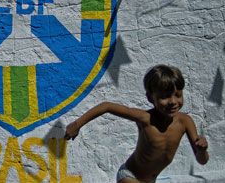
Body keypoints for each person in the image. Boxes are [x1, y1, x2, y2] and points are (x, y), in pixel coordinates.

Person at [64, 64, 209, 183]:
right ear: (150, 98)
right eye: (164, 97)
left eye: (178, 95)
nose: (172, 102)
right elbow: (107, 106)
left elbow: (202, 161)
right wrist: (77, 124)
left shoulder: (185, 122)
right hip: (129, 176)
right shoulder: (145, 118)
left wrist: (202, 150)